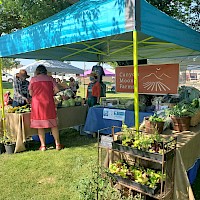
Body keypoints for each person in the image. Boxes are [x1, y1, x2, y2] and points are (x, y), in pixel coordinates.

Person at [28, 65, 63, 151]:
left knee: (40, 126)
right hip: (48, 103)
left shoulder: (33, 79)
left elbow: (31, 93)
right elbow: (57, 90)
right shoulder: (50, 78)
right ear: (45, 71)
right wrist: (50, 93)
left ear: (37, 71)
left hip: (37, 104)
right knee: (53, 125)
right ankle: (57, 144)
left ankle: (43, 146)